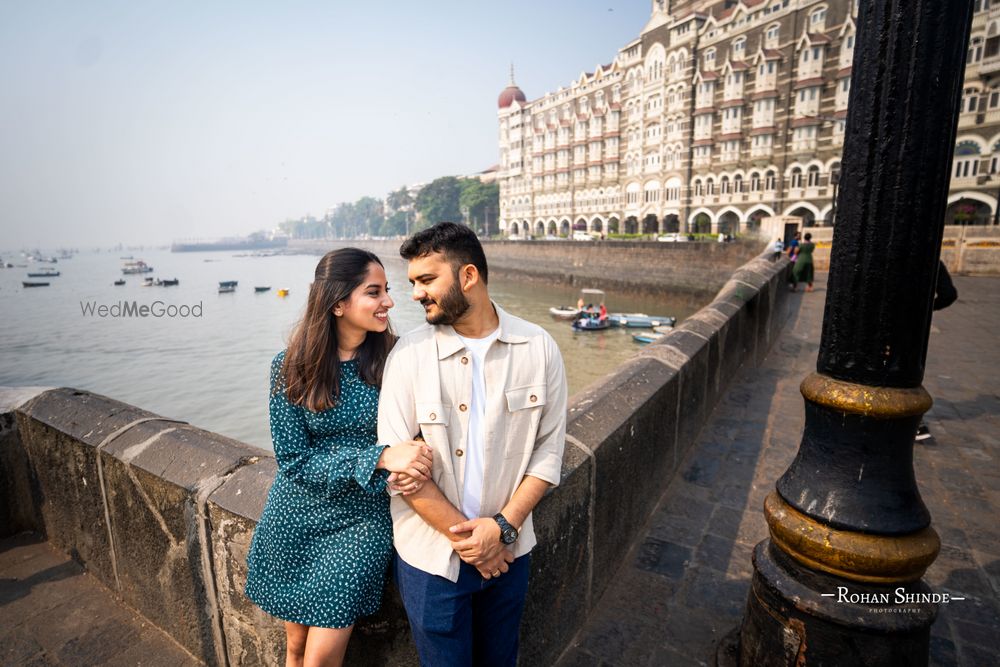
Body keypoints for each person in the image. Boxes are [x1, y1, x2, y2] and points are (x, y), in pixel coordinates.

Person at [378, 222, 568, 667]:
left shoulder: (538, 348)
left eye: (427, 280)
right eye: (412, 282)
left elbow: (548, 452)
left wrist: (501, 528)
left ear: (468, 277)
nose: (415, 294)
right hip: (431, 561)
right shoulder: (407, 355)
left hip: (509, 553)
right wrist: (471, 542)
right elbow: (399, 468)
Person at [245, 248, 433, 667]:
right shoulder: (290, 366)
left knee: (321, 659)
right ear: (337, 303)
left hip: (361, 522)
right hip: (295, 517)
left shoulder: (396, 360)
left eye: (386, 290)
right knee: (294, 649)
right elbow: (293, 459)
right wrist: (379, 457)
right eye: (374, 292)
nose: (389, 301)